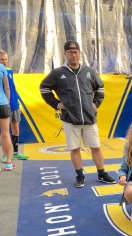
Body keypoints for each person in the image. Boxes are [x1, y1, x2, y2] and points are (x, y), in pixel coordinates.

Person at [40, 40, 116, 187]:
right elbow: (44, 89)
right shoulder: (58, 73)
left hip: (89, 118)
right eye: (70, 52)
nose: (73, 55)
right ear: (65, 54)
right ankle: (80, 175)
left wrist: (95, 104)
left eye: (76, 52)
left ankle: (101, 173)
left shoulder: (88, 71)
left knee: (96, 147)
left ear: (79, 53)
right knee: (75, 148)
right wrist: (56, 104)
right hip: (70, 119)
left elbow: (100, 88)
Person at [0, 50, 28, 162]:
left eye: (6, 59)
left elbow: (12, 88)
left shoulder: (9, 72)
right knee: (4, 131)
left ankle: (15, 152)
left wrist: (17, 103)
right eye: (2, 59)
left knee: (15, 127)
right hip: (4, 104)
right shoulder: (1, 71)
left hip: (13, 104)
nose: (4, 61)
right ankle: (5, 155)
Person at [0, 62, 15, 171]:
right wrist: (8, 102)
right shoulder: (1, 67)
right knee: (5, 134)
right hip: (3, 103)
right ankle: (9, 162)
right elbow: (7, 87)